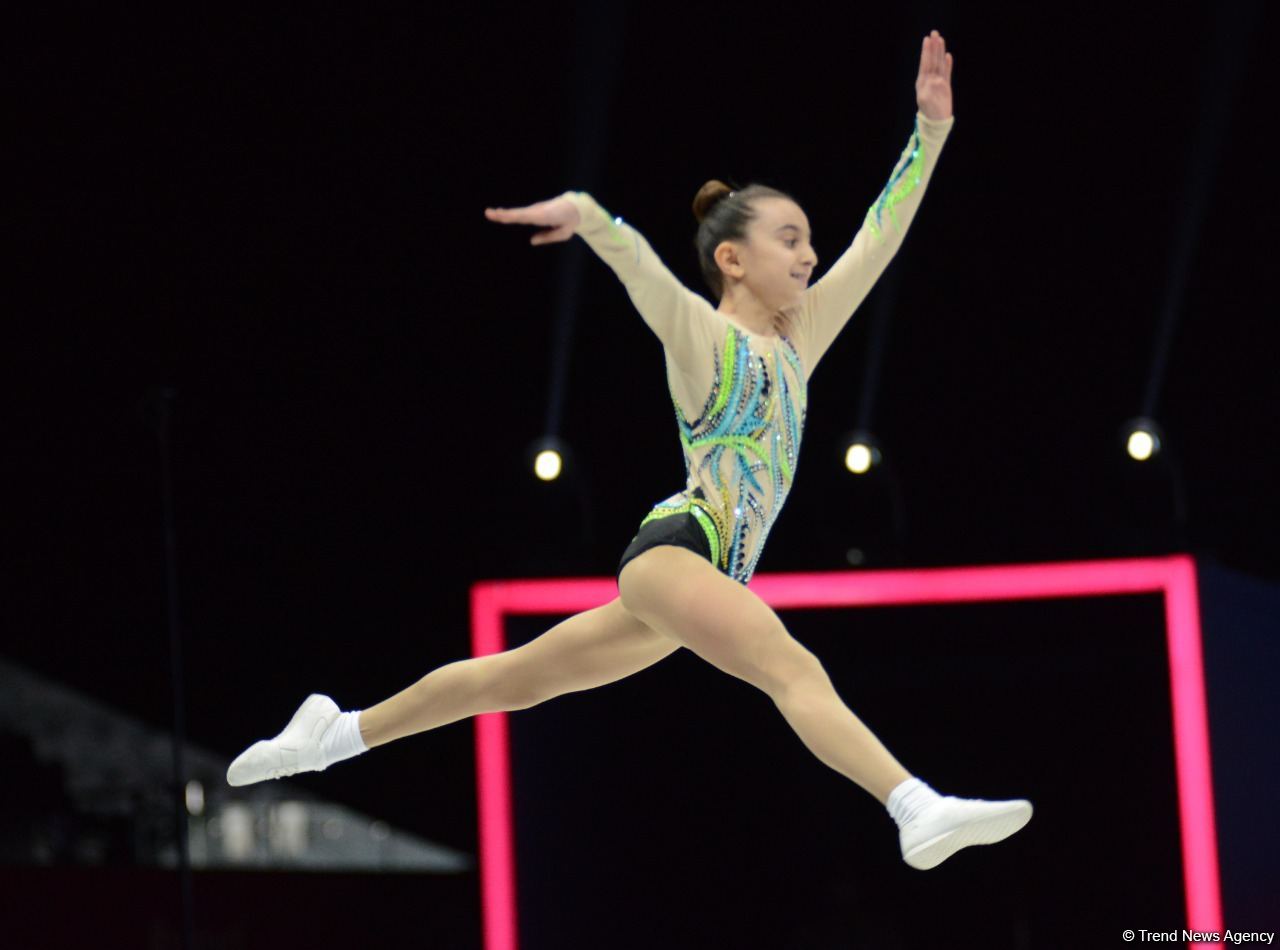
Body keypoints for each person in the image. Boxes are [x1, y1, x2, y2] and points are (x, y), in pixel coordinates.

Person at [227, 30, 1032, 871]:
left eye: (806, 240)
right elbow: (647, 278)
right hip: (682, 547)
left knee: (514, 680)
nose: (810, 254)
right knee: (788, 665)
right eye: (788, 240)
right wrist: (593, 219)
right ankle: (913, 805)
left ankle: (336, 733)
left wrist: (929, 132)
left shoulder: (799, 344)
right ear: (731, 258)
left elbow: (879, 237)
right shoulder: (707, 341)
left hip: (701, 575)